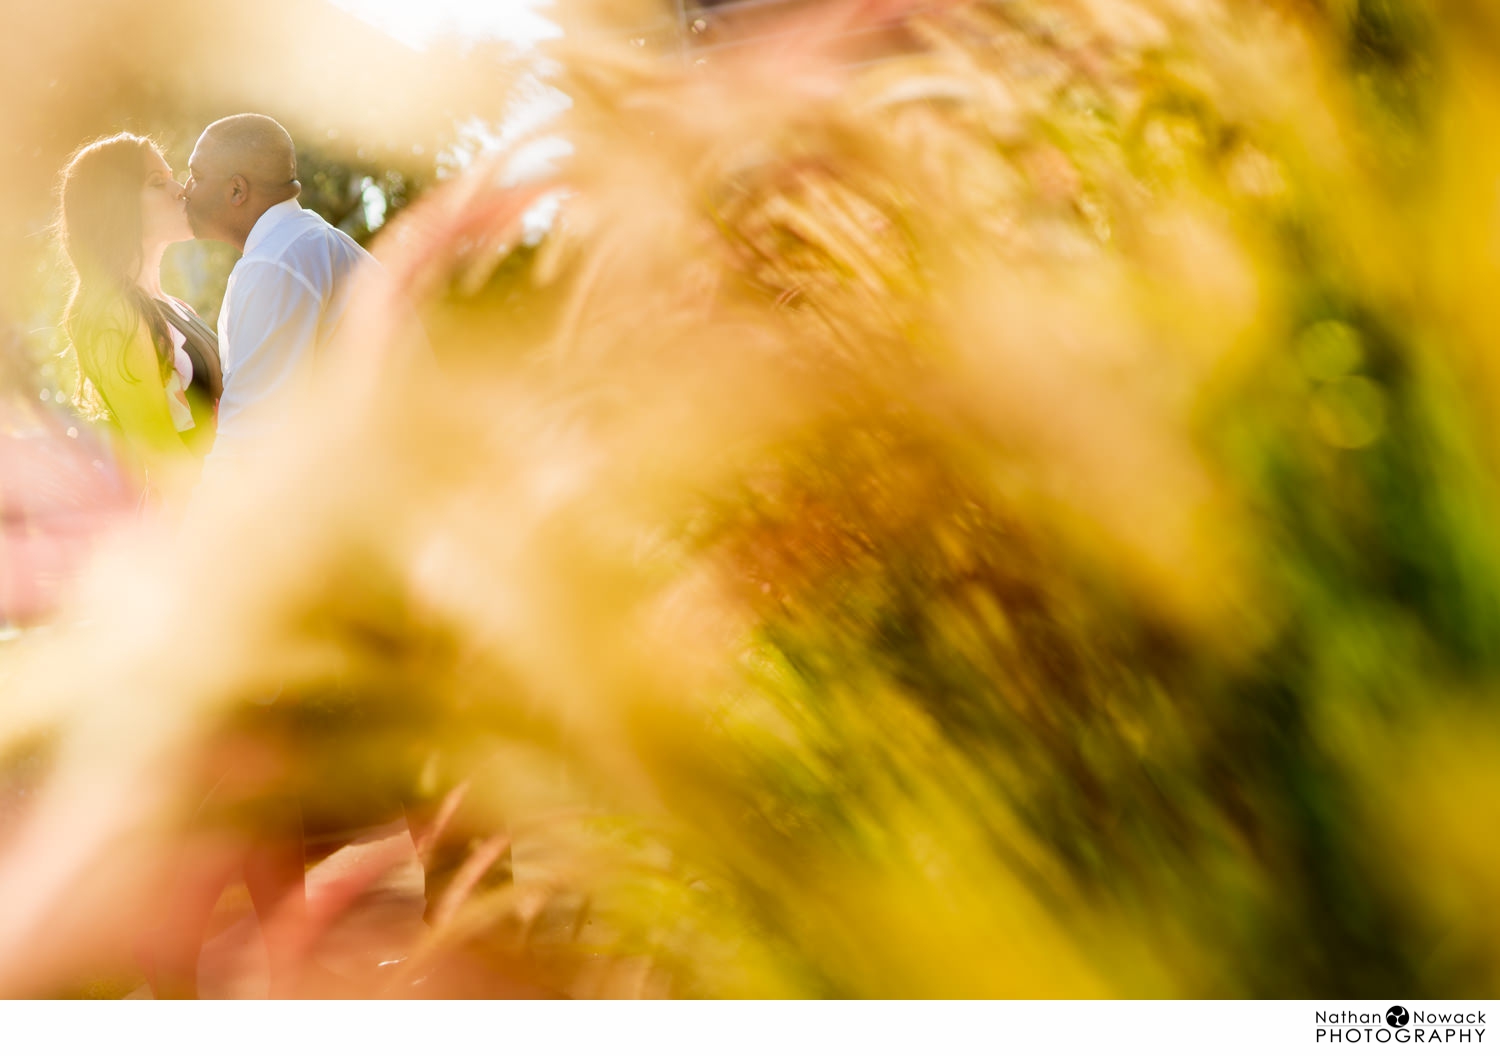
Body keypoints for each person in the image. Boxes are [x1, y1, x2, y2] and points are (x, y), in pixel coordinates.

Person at [182, 114, 374, 476]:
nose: (185, 188)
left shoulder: (276, 263)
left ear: (236, 190)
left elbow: (249, 437)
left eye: (196, 175)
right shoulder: (306, 245)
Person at [57, 133, 223, 506]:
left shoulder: (177, 308)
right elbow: (162, 456)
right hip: (194, 525)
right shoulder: (114, 316)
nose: (180, 190)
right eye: (157, 182)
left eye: (172, 176)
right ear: (116, 206)